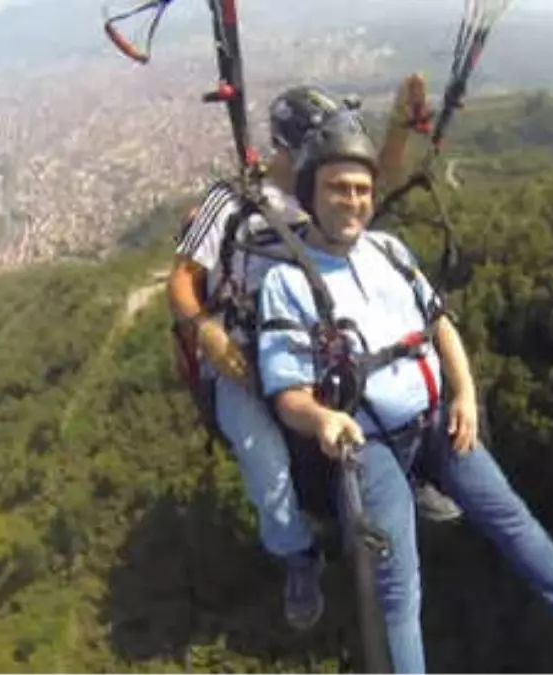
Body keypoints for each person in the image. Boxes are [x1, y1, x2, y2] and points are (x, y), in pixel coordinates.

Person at [256, 110, 553, 673]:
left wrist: (465, 394)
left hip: (435, 421)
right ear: (310, 193)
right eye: (337, 188)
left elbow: (440, 324)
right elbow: (286, 393)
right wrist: (322, 421)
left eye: (362, 189)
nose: (353, 201)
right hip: (367, 444)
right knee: (399, 585)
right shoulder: (289, 281)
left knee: (507, 513)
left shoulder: (390, 252)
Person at [165, 76, 461, 632]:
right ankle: (298, 557)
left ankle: (411, 471)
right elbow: (181, 280)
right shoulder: (231, 200)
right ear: (289, 146)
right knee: (265, 458)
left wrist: (399, 126)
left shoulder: (316, 191)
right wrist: (209, 333)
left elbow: (384, 180)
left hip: (314, 331)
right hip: (241, 349)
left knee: (387, 383)